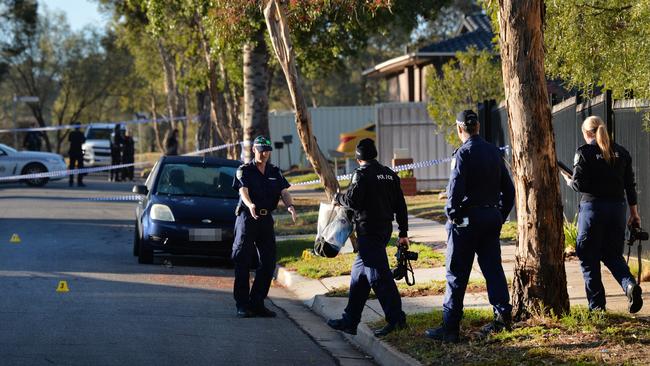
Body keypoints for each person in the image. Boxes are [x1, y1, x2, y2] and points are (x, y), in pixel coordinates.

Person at [425, 110, 515, 343]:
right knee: (493, 270)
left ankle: (450, 327)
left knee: (456, 274)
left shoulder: (462, 154)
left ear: (459, 129)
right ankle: (502, 317)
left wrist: (451, 214)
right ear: (477, 128)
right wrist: (499, 215)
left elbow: (455, 190)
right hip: (490, 218)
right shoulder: (494, 152)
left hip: (466, 222)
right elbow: (510, 190)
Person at [327, 138, 409, 337]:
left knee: (379, 278)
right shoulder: (390, 175)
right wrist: (403, 233)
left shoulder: (361, 175)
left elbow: (352, 201)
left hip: (368, 231)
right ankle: (350, 320)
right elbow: (401, 206)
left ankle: (396, 319)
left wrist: (337, 198)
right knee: (359, 278)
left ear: (358, 159)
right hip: (383, 230)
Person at [560, 115, 643, 313]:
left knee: (588, 258)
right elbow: (629, 186)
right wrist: (634, 214)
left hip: (592, 210)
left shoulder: (584, 152)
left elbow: (579, 184)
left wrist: (568, 180)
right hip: (617, 210)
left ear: (587, 133)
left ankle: (597, 308)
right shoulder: (621, 152)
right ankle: (630, 285)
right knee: (613, 255)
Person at [231, 136, 297, 318]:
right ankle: (242, 305)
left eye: (267, 150)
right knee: (242, 260)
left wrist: (290, 206)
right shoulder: (244, 170)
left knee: (268, 262)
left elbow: (284, 191)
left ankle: (257, 302)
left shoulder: (275, 171)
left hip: (265, 219)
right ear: (254, 150)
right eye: (261, 150)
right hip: (247, 218)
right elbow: (242, 190)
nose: (265, 153)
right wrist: (250, 204)